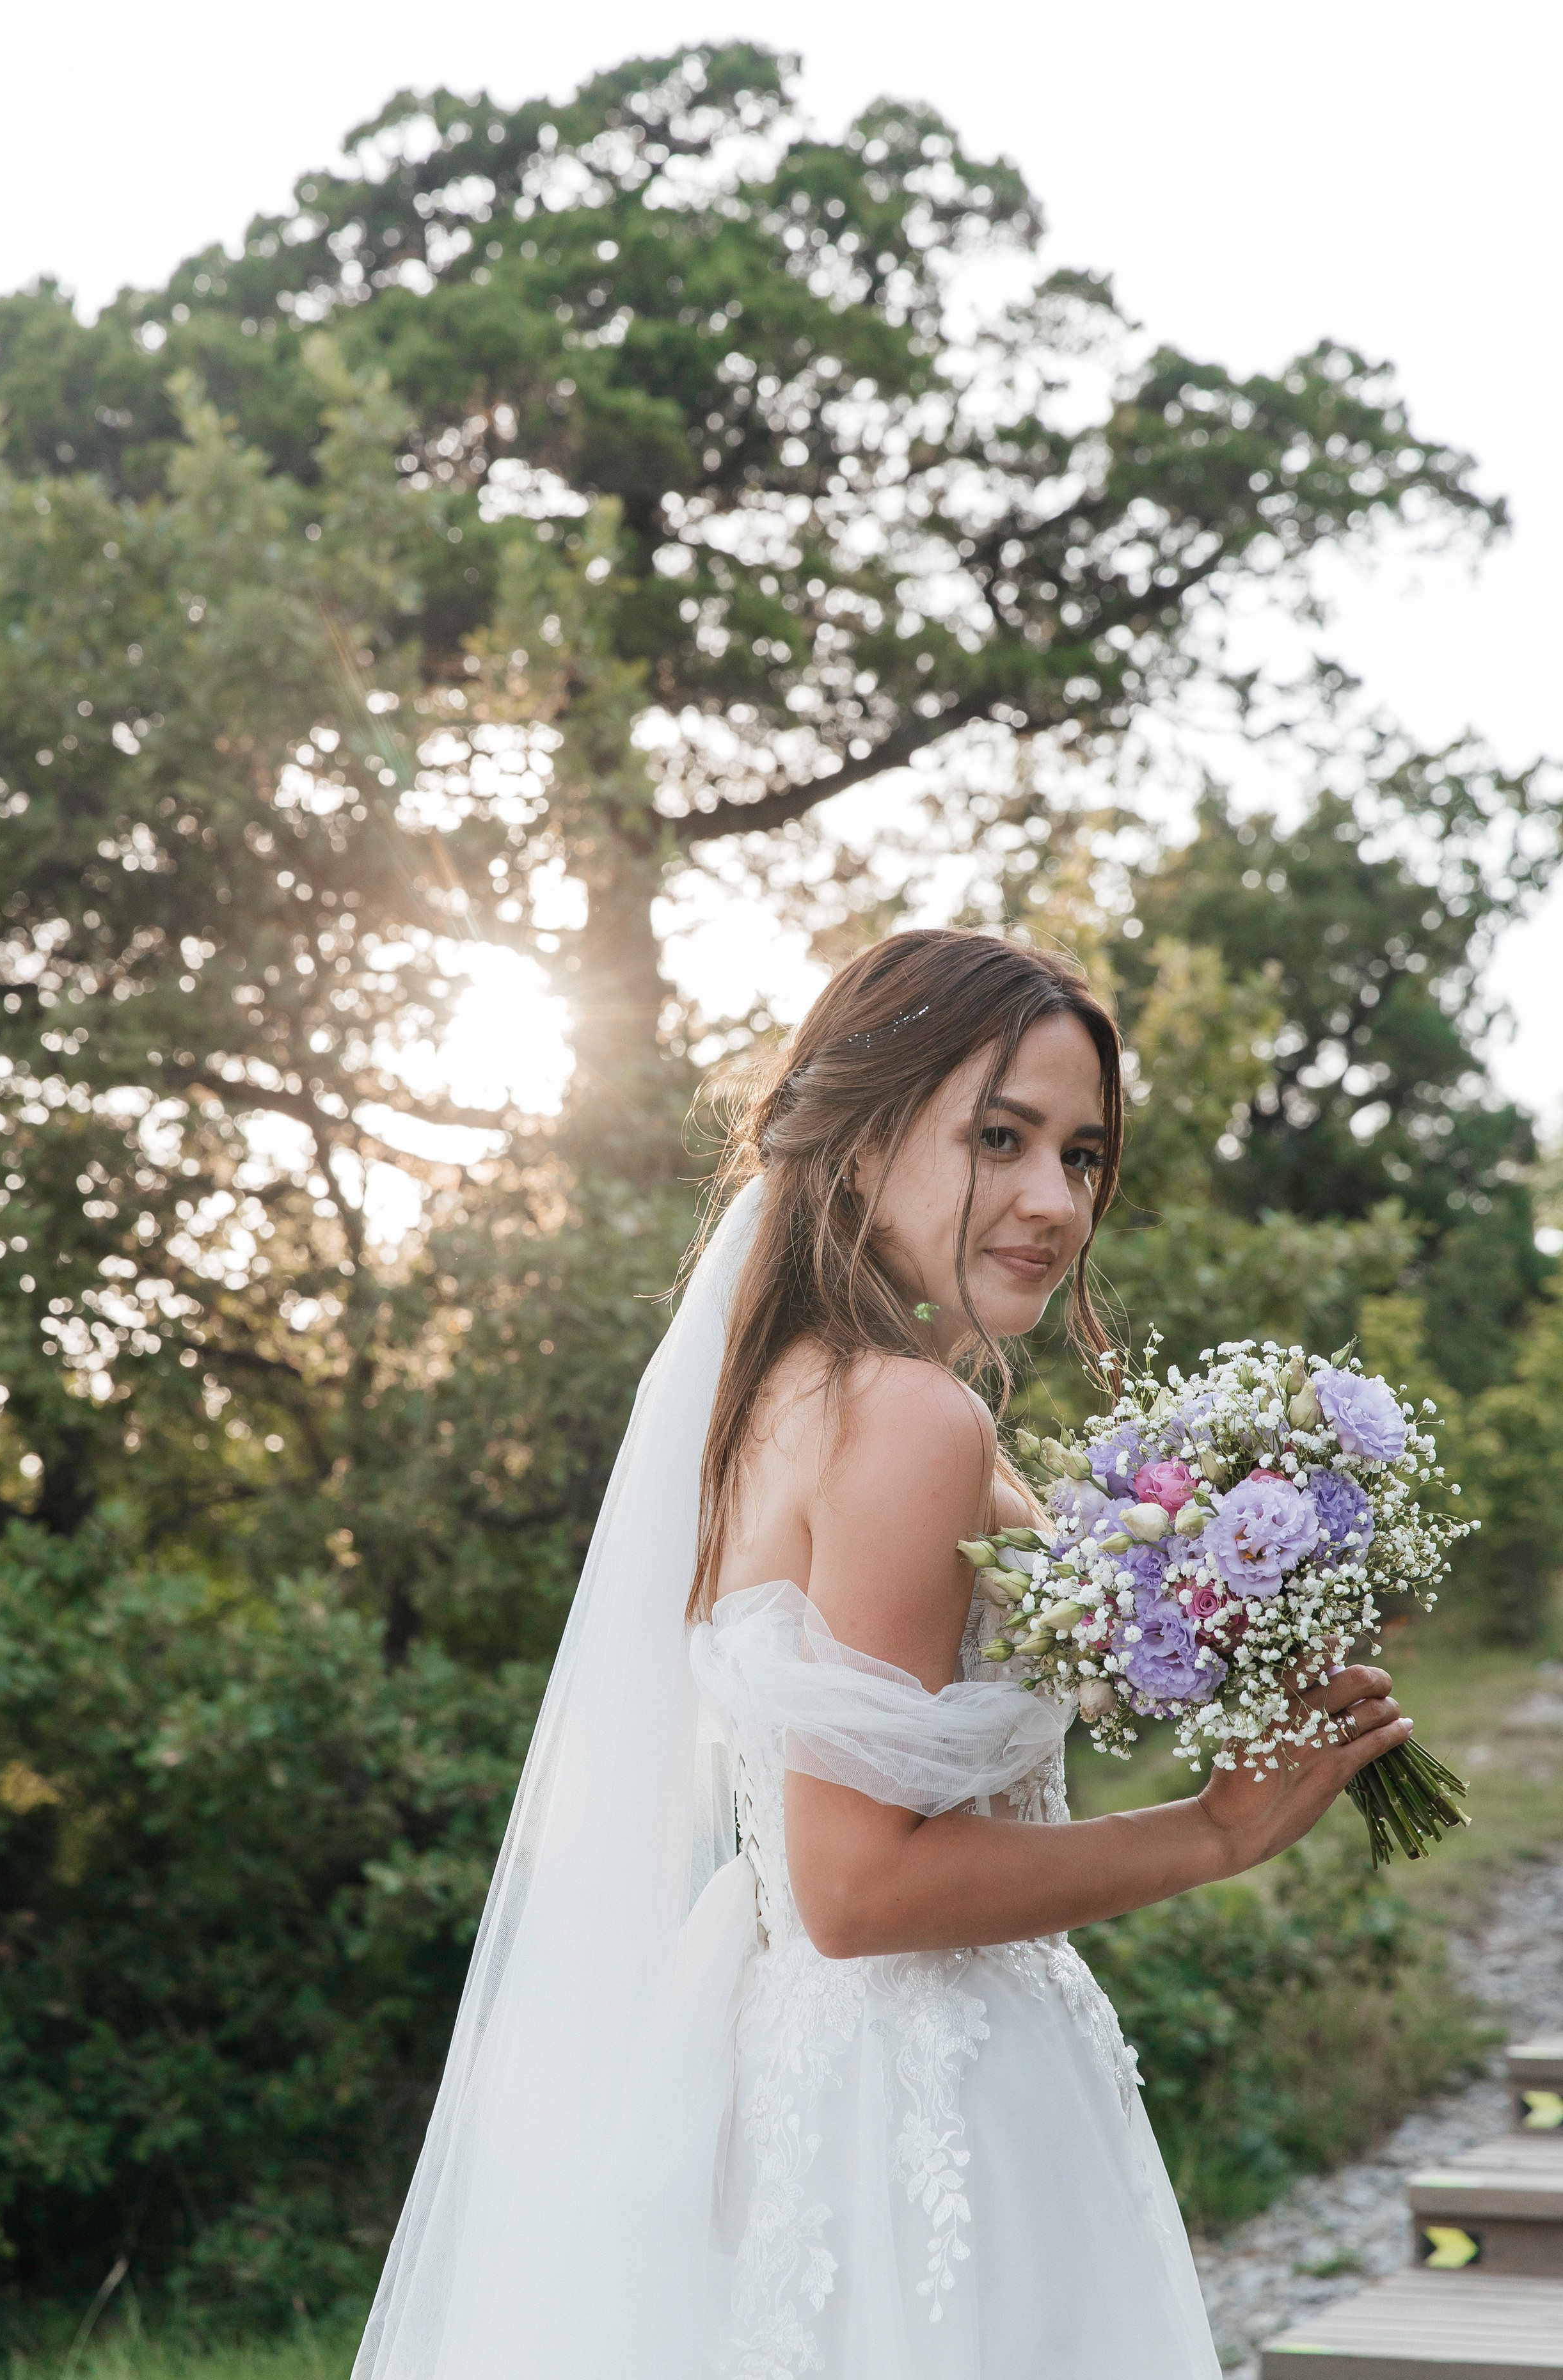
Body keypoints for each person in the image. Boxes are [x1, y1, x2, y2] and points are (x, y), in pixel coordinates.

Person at [353, 929, 1410, 2380]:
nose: (1052, 1200)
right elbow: (858, 1886)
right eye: (999, 1137)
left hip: (809, 2079)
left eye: (1083, 1155)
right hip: (936, 2101)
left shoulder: (772, 1400)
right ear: (854, 1148)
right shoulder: (910, 1418)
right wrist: (1219, 1829)